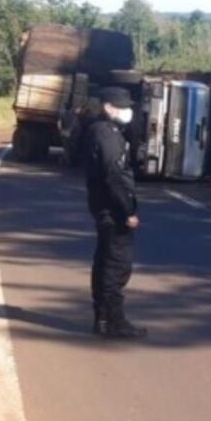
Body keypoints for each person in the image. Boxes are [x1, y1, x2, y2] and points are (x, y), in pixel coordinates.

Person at [84, 87, 146, 339]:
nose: (127, 111)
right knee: (116, 268)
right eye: (122, 106)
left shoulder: (103, 131)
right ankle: (114, 322)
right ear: (108, 108)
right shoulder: (106, 134)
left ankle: (102, 319)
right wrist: (126, 213)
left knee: (104, 265)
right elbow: (113, 177)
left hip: (104, 208)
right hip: (113, 211)